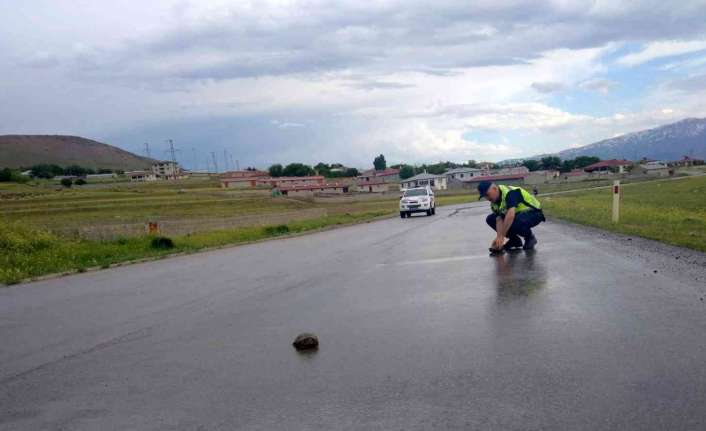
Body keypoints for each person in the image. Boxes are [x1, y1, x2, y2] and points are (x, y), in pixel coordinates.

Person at [478, 181, 545, 251]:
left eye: (487, 194)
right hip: (518, 215)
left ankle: (529, 237)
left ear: (495, 189)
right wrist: (499, 237)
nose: (487, 198)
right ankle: (514, 240)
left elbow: (510, 215)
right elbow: (499, 219)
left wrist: (502, 236)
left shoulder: (510, 193)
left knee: (512, 221)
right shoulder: (494, 203)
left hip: (534, 213)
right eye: (484, 196)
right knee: (491, 219)